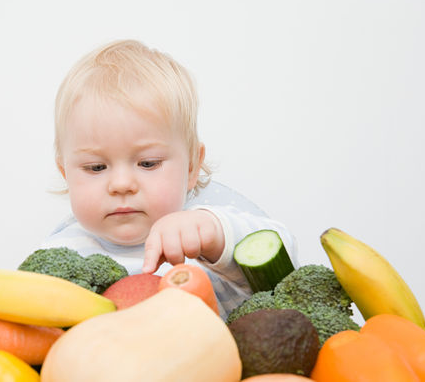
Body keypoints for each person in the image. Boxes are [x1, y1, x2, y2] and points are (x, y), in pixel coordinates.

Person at [41, 39, 298, 318]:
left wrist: (215, 236)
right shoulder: (60, 255)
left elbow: (290, 271)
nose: (121, 184)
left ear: (191, 168)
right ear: (66, 174)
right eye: (96, 168)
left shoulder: (203, 238)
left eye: (148, 163)